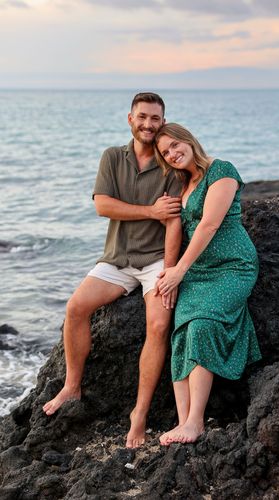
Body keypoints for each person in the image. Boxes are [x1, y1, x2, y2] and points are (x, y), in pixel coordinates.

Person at [43, 93, 183, 449]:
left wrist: (168, 272)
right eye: (142, 117)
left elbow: (173, 223)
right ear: (129, 119)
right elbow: (103, 206)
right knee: (75, 308)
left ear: (162, 122)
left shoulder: (170, 164)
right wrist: (150, 211)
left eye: (155, 118)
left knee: (159, 325)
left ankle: (139, 413)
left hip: (155, 261)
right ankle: (72, 386)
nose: (148, 124)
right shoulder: (111, 157)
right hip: (117, 258)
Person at [153, 123, 262, 445]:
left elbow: (210, 224)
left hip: (233, 266)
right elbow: (177, 228)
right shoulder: (184, 183)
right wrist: (167, 270)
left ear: (188, 140)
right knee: (182, 333)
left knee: (202, 326)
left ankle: (195, 421)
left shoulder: (221, 170)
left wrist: (177, 272)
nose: (173, 154)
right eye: (165, 152)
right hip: (198, 271)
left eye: (175, 145)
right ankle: (182, 419)